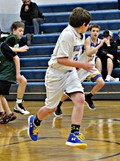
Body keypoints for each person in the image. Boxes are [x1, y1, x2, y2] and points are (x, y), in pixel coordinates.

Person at [27, 7, 93, 148]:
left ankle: (74, 135)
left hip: (69, 73)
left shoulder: (79, 35)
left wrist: (78, 64)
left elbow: (71, 57)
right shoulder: (67, 35)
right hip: (55, 74)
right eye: (87, 25)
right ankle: (35, 121)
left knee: (80, 99)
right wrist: (82, 65)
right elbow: (61, 60)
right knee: (51, 108)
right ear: (84, 25)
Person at [54, 24, 106, 117]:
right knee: (69, 92)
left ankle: (89, 97)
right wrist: (100, 45)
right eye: (93, 31)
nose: (95, 33)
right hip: (81, 67)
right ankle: (58, 104)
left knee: (101, 82)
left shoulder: (98, 41)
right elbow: (89, 52)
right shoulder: (87, 40)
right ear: (90, 32)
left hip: (90, 67)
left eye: (97, 31)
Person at [4, 21, 30, 115]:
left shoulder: (15, 39)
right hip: (4, 66)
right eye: (20, 30)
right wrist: (19, 49)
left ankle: (18, 104)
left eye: (23, 31)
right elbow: (4, 48)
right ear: (14, 30)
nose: (22, 33)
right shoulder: (12, 37)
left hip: (9, 65)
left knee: (23, 81)